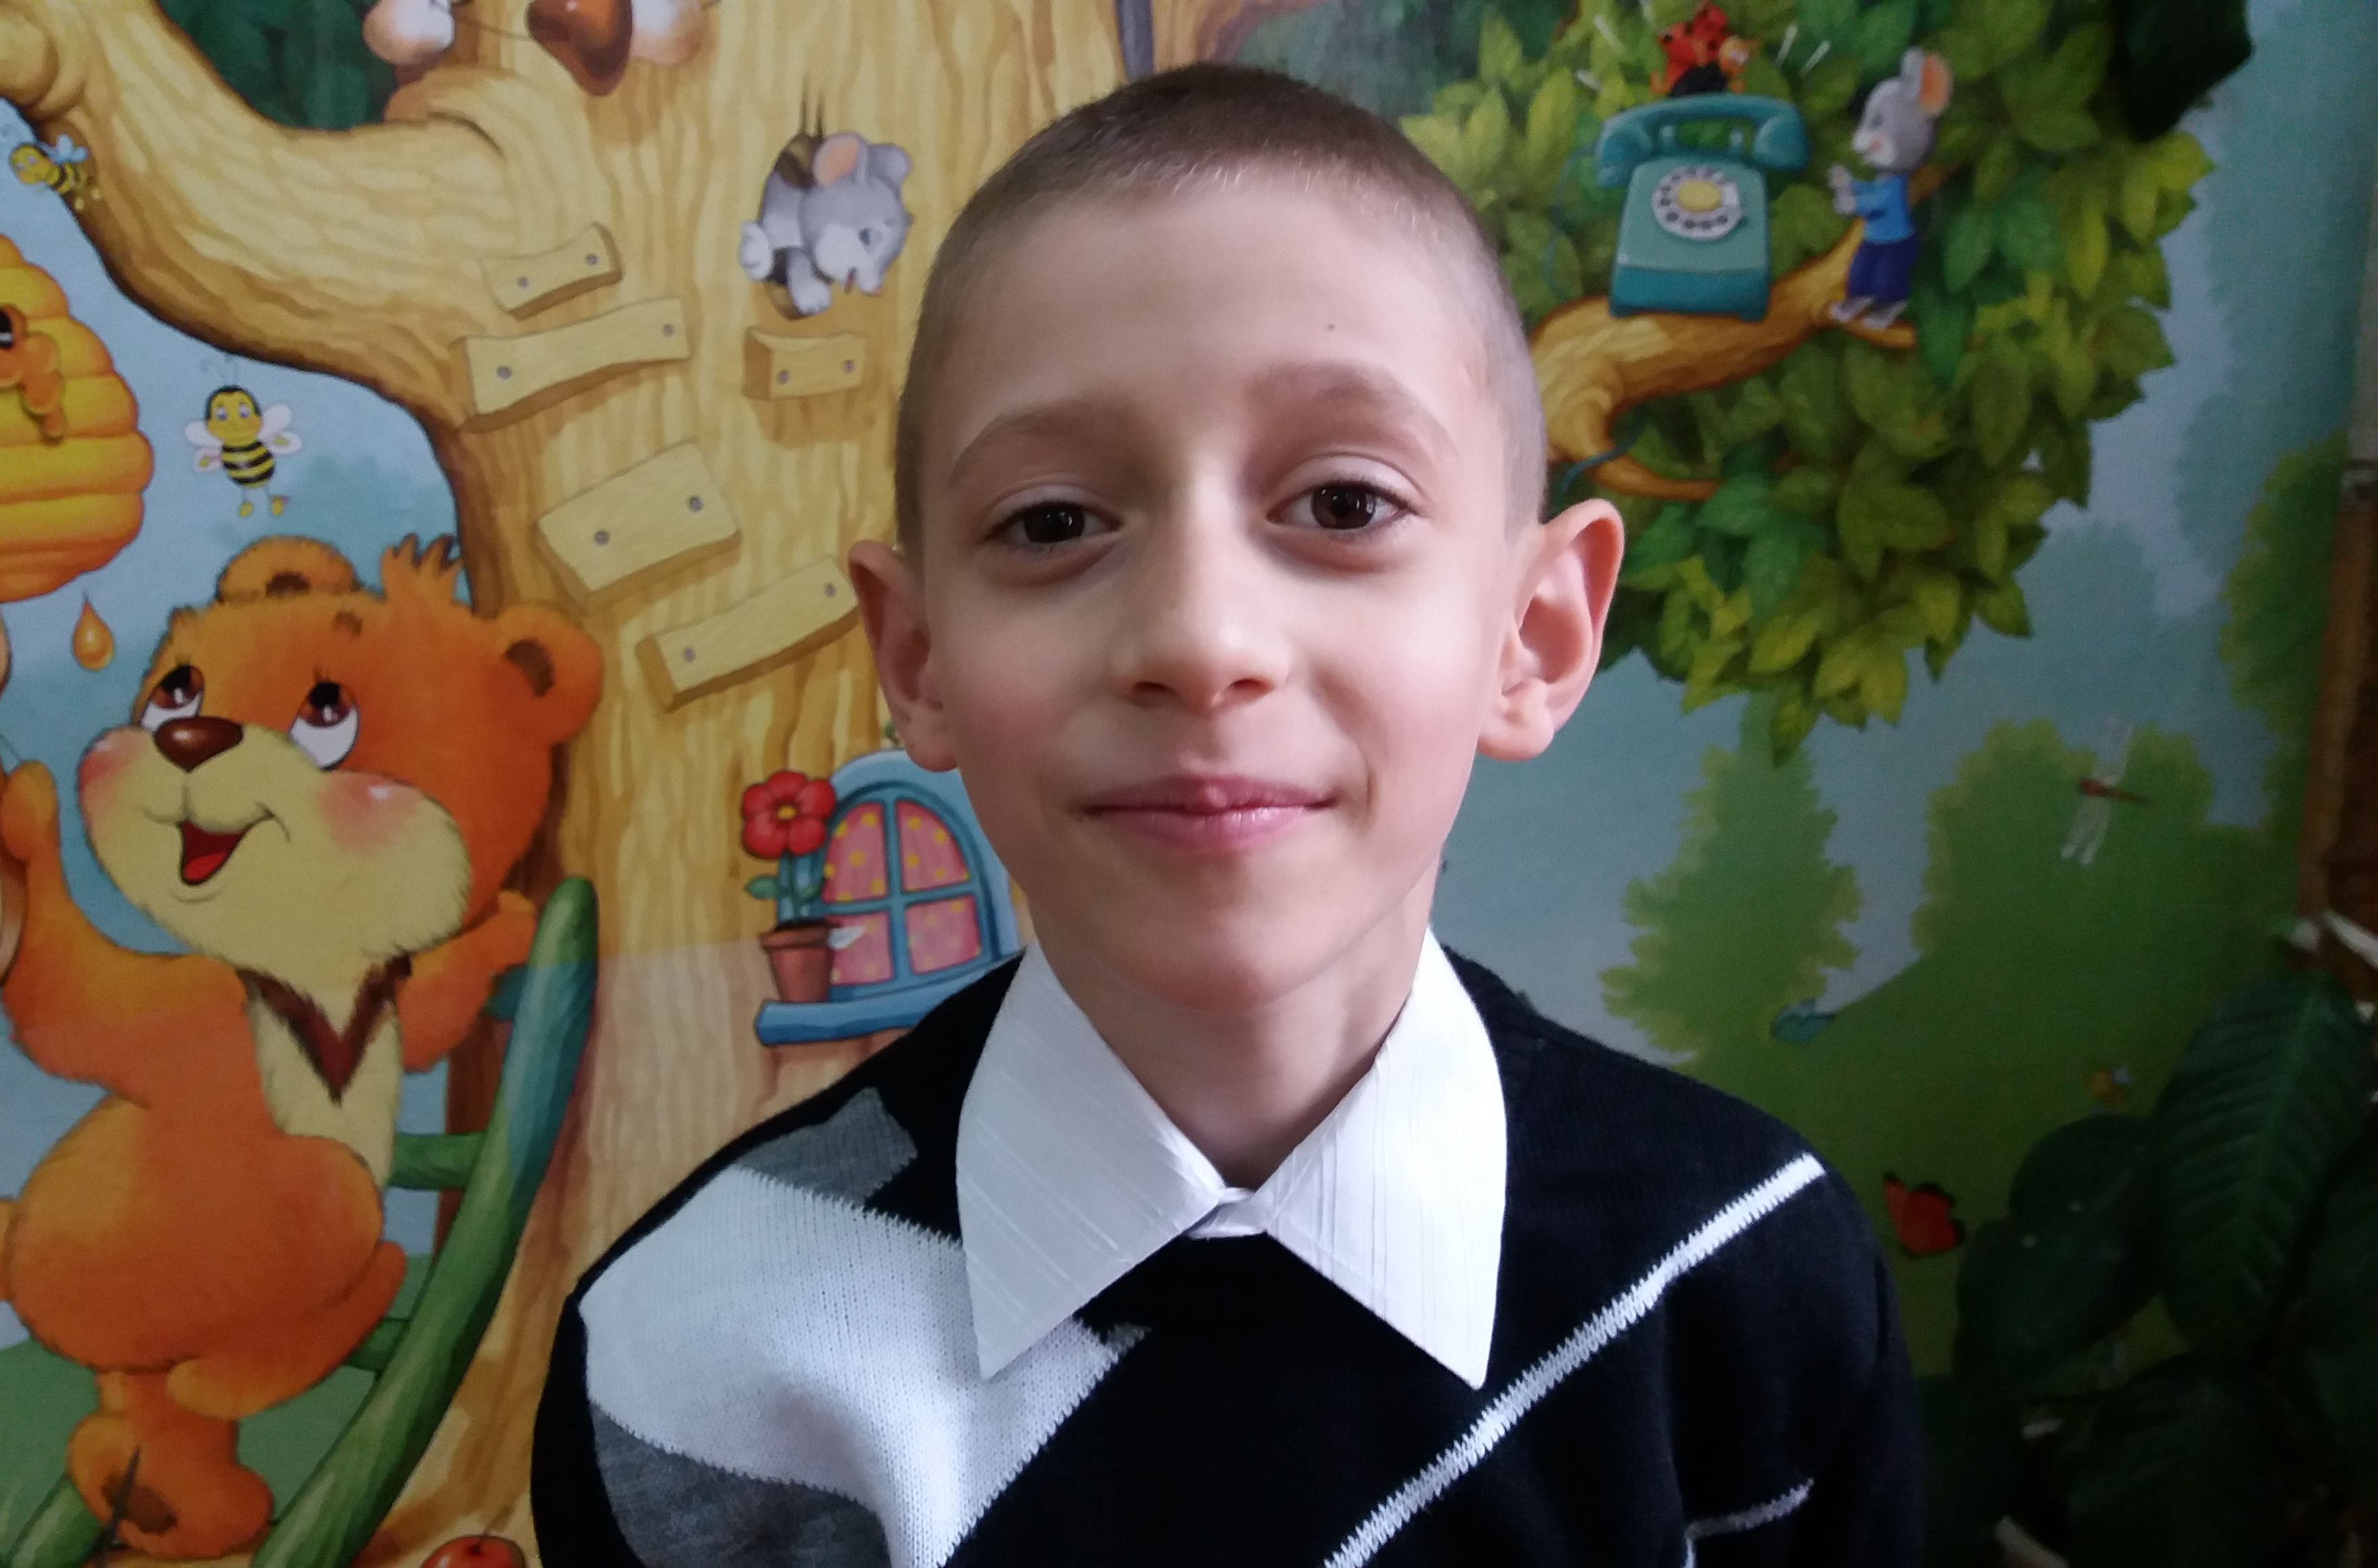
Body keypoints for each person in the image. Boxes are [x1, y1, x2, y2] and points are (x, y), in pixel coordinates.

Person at [532, 62, 1919, 1567]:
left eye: (1344, 504)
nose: (1200, 641)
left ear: (1532, 637)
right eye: (1054, 523)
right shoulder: (683, 1366)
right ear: (917, 658)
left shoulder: (1745, 1281)